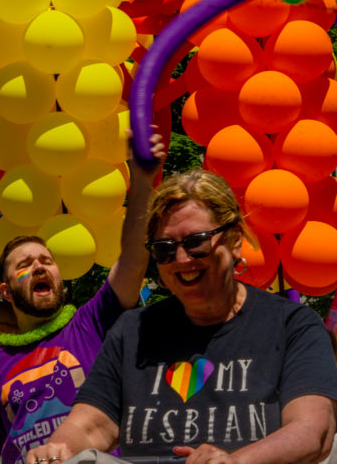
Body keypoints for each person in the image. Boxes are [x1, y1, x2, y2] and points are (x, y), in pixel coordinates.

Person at [26, 169, 337, 464]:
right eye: (164, 249)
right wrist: (58, 450)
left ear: (234, 240)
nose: (181, 259)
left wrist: (235, 460)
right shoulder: (133, 330)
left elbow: (313, 432)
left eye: (195, 242)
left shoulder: (292, 326)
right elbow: (90, 426)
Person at [0, 134, 166, 464]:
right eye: (25, 265)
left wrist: (142, 180)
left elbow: (133, 259)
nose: (39, 266)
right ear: (5, 291)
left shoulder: (91, 322)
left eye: (47, 261)